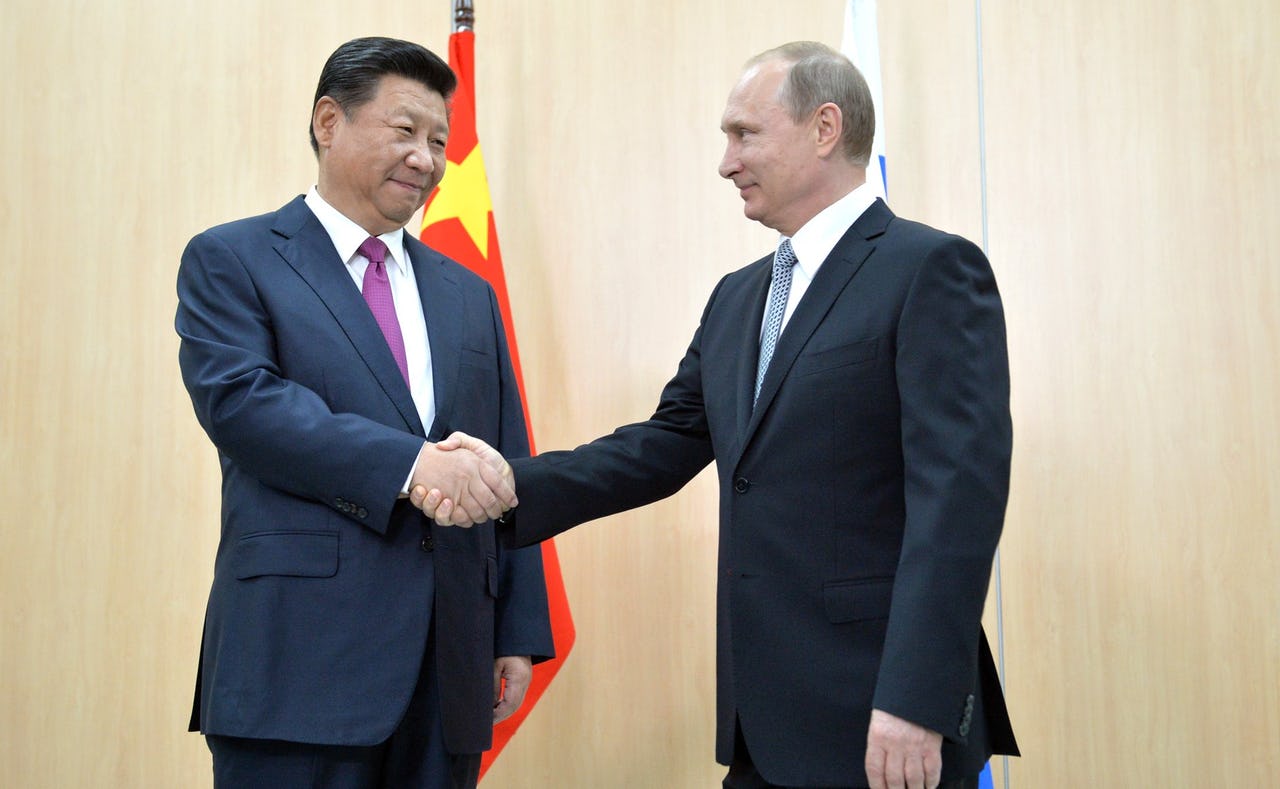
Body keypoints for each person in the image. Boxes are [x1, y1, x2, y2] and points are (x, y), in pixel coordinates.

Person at [417, 41, 1019, 789]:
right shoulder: (739, 296)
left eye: (744, 134)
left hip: (884, 720)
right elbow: (664, 446)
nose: (726, 162)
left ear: (825, 128)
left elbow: (956, 504)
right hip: (763, 727)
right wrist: (507, 487)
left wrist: (916, 698)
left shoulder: (930, 271)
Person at [175, 36, 553, 789]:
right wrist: (410, 466)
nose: (426, 158)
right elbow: (245, 405)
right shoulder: (234, 258)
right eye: (405, 130)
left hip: (448, 669)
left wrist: (514, 627)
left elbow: (506, 462)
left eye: (440, 141)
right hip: (298, 666)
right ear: (327, 121)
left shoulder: (467, 293)